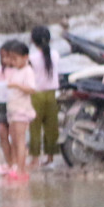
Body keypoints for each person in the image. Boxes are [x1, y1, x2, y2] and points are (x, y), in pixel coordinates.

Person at [0, 39, 36, 180]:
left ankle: (20, 170)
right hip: (11, 109)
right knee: (12, 138)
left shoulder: (26, 71)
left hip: (20, 111)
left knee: (19, 141)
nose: (9, 61)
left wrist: (15, 85)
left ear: (25, 57)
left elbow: (31, 89)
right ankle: (15, 166)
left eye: (13, 58)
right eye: (6, 57)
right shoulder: (15, 70)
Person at [26, 26, 62, 169]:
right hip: (52, 94)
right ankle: (50, 158)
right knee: (51, 127)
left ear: (33, 41)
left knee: (35, 127)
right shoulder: (55, 55)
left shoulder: (32, 58)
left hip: (37, 95)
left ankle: (35, 158)